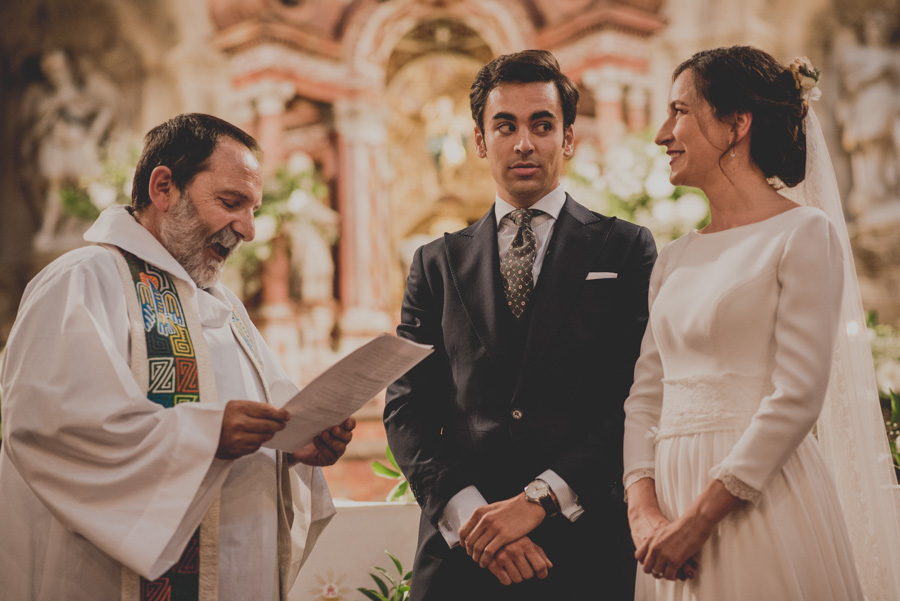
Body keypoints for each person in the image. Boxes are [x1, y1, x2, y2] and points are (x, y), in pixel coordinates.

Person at [0, 113, 356, 601]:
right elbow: (50, 427)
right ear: (163, 187)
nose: (248, 229)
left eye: (253, 209)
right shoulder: (83, 279)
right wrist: (206, 436)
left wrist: (299, 448)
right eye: (231, 202)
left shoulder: (225, 306)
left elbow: (275, 414)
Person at [623, 46, 900, 600]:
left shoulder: (803, 234)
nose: (661, 134)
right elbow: (645, 397)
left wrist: (701, 519)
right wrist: (644, 512)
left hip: (755, 498)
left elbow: (798, 395)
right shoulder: (673, 258)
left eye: (679, 111)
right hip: (667, 510)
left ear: (736, 124)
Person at [384, 49, 657, 600]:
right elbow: (407, 406)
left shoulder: (625, 248)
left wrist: (540, 499)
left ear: (569, 138)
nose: (524, 142)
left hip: (583, 546)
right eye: (505, 126)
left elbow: (635, 395)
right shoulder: (436, 262)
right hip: (464, 555)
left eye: (542, 125)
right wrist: (474, 519)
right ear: (480, 141)